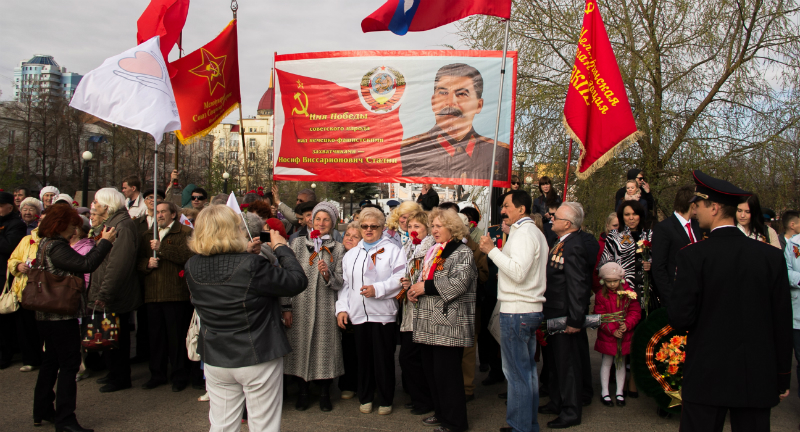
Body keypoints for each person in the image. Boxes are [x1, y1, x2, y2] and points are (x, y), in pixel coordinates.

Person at [668, 170, 792, 432]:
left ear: (714, 208)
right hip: (755, 375)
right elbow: (781, 321)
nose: (694, 211)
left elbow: (680, 318)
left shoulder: (692, 256)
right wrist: (782, 377)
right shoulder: (770, 257)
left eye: (698, 205)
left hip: (706, 373)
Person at [185, 205, 308, 432]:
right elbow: (297, 281)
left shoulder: (192, 264)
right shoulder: (251, 265)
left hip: (216, 354)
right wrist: (281, 247)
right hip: (256, 352)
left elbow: (229, 281)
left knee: (221, 425)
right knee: (263, 425)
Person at [33, 203, 117, 432]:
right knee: (69, 365)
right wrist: (105, 242)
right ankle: (65, 419)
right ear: (59, 225)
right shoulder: (56, 247)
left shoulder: (45, 243)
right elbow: (86, 264)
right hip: (60, 315)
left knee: (51, 361)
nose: (74, 231)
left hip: (47, 314)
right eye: (72, 226)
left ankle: (42, 409)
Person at [478, 190, 548, 432]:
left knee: (518, 375)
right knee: (526, 373)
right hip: (524, 309)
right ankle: (526, 424)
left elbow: (518, 272)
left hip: (518, 311)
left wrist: (492, 251)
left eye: (507, 206)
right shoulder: (528, 232)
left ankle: (520, 427)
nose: (503, 211)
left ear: (521, 209)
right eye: (502, 207)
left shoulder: (525, 234)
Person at [406, 207, 477, 432]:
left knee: (448, 376)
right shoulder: (435, 250)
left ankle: (455, 423)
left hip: (449, 323)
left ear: (452, 228)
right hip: (429, 322)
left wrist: (424, 287)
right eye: (433, 226)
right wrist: (413, 290)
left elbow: (459, 284)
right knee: (433, 373)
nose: (434, 230)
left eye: (439, 226)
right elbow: (424, 278)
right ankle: (441, 413)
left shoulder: (462, 252)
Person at [336, 207, 405, 416]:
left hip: (383, 314)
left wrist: (378, 289)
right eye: (364, 226)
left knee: (383, 359)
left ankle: (385, 399)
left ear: (382, 227)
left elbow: (400, 279)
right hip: (358, 315)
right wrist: (342, 309)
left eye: (373, 226)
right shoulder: (351, 254)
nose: (368, 230)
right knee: (363, 359)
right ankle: (365, 397)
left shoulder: (392, 250)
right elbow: (345, 285)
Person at [283, 202, 346, 412]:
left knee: (325, 351)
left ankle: (324, 393)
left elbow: (341, 282)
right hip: (300, 305)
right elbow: (286, 277)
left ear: (332, 223)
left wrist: (328, 274)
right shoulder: (298, 244)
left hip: (325, 307)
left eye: (326, 219)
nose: (321, 223)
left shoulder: (338, 248)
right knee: (299, 349)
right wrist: (286, 307)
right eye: (317, 218)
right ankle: (303, 391)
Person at [400, 63, 510, 181]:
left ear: (479, 105)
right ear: (433, 102)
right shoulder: (407, 151)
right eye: (443, 93)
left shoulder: (499, 153)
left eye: (462, 94)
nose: (450, 102)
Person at [537, 202, 589, 429]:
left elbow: (578, 286)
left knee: (567, 365)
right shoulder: (561, 242)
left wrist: (575, 320)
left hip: (564, 315)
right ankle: (557, 401)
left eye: (556, 217)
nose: (551, 219)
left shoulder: (574, 246)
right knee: (555, 363)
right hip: (553, 313)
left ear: (567, 224)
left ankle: (571, 410)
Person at [136, 201, 196, 392]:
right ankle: (157, 374)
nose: (160, 215)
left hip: (175, 294)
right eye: (157, 212)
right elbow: (137, 261)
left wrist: (162, 248)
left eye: (163, 212)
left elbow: (187, 256)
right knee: (156, 338)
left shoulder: (185, 232)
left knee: (176, 338)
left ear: (173, 214)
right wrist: (146, 264)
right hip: (153, 294)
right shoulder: (147, 235)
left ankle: (179, 375)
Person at [88, 188, 142, 393]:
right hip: (109, 289)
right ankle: (113, 372)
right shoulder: (111, 224)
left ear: (107, 206)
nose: (94, 206)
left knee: (118, 337)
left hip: (116, 292)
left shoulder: (122, 226)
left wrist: (105, 292)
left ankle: (120, 376)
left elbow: (118, 264)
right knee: (108, 336)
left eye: (97, 202)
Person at [398, 211, 436, 416]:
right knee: (409, 357)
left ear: (427, 229)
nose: (413, 230)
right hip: (409, 309)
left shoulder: (431, 248)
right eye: (410, 226)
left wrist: (414, 284)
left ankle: (425, 399)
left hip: (423, 310)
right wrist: (405, 282)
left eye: (417, 227)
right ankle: (418, 397)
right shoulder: (408, 247)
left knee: (413, 357)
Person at [593, 262, 641, 408]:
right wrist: (613, 330)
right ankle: (605, 392)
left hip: (624, 334)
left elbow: (635, 311)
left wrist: (626, 324)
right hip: (608, 336)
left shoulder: (629, 293)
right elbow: (600, 316)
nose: (612, 284)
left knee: (621, 363)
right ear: (603, 281)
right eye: (609, 282)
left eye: (615, 281)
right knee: (607, 363)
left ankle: (619, 392)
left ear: (621, 280)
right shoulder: (601, 295)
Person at [651, 185, 703, 308]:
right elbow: (658, 268)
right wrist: (671, 298)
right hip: (677, 298)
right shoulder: (664, 228)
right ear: (693, 205)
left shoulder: (699, 226)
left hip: (698, 297)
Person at [7, 206, 44, 373]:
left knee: (42, 329)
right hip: (23, 290)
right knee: (25, 328)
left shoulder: (54, 241)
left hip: (43, 292)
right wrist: (18, 265)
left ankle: (47, 360)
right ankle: (30, 360)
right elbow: (12, 259)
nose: (41, 223)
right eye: (40, 220)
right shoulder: (26, 239)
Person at [0, 191, 27, 369]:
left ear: (10, 207)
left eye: (0, 206)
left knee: (4, 319)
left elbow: (9, 246)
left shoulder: (16, 224)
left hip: (5, 276)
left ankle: (5, 354)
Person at [338, 222, 362, 400]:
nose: (350, 239)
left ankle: (360, 384)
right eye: (347, 235)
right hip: (341, 306)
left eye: (355, 236)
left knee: (358, 348)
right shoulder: (338, 254)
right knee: (347, 348)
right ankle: (347, 383)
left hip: (359, 308)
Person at [592, 212, 619, 294]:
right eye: (615, 225)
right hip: (605, 291)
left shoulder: (627, 244)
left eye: (620, 226)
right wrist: (600, 291)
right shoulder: (599, 246)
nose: (618, 228)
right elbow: (594, 272)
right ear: (608, 226)